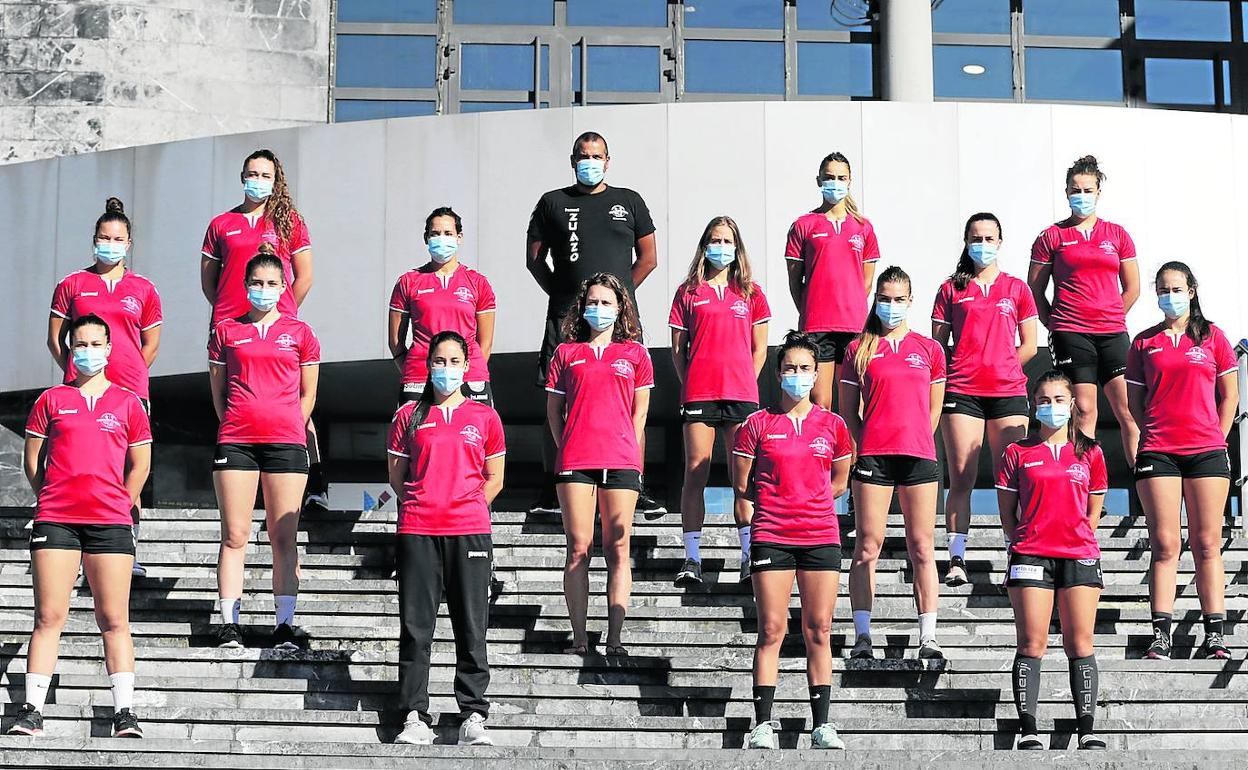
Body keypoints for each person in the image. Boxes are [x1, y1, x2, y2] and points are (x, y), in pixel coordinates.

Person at [10, 314, 151, 738]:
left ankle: (124, 712)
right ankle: (32, 710)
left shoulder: (128, 403)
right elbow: (32, 460)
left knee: (114, 618)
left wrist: (120, 503)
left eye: (95, 344)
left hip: (110, 522)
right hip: (57, 520)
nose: (87, 351)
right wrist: (50, 496)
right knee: (48, 616)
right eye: (80, 345)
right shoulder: (51, 400)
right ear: (70, 351)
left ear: (109, 349)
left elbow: (141, 464)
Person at [527, 131, 661, 516]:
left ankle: (635, 480)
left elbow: (648, 258)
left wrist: (617, 297)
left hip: (621, 322)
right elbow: (534, 260)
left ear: (608, 160)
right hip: (565, 319)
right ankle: (553, 486)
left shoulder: (629, 201)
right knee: (557, 396)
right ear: (573, 161)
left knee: (630, 397)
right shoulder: (552, 202)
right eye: (583, 156)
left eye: (597, 156)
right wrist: (567, 299)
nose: (590, 162)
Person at [733, 331, 853, 750]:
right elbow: (743, 483)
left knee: (819, 629)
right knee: (771, 628)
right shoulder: (756, 424)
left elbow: (839, 482)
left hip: (820, 535)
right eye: (790, 368)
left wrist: (808, 500)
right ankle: (762, 724)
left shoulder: (834, 425)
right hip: (772, 535)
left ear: (816, 374)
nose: (797, 375)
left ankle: (822, 726)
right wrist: (781, 501)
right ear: (778, 373)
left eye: (805, 368)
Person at [387, 331, 506, 747]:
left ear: (467, 367)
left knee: (471, 627)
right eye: (439, 361)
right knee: (415, 628)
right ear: (428, 366)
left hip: (469, 532)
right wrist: (428, 504)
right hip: (418, 531)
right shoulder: (408, 416)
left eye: (455, 361)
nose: (447, 369)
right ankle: (414, 715)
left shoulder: (485, 417)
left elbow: (495, 478)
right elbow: (397, 478)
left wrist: (464, 506)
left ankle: (472, 714)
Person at [200, 149, 327, 511]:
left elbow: (304, 276)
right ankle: (240, 480)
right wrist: (231, 314)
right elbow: (209, 282)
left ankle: (315, 482)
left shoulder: (290, 222)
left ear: (276, 180)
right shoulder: (221, 224)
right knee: (235, 399)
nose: (258, 181)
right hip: (231, 328)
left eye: (265, 175)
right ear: (242, 177)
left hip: (278, 330)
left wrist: (281, 311)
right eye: (252, 174)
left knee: (291, 404)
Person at [208, 244, 320, 650]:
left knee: (283, 535)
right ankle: (229, 625)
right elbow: (218, 393)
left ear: (284, 286)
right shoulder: (226, 332)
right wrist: (237, 422)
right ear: (244, 285)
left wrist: (289, 424)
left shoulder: (301, 334)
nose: (264, 289)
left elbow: (308, 395)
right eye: (256, 282)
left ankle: (284, 625)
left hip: (286, 443)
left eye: (272, 282)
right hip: (236, 441)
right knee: (235, 534)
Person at [1127, 262, 1239, 661]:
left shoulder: (1213, 337)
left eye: (1176, 288)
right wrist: (1157, 432)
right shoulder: (1144, 342)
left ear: (1191, 291)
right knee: (1165, 544)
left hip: (1206, 450)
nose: (1169, 296)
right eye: (1162, 289)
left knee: (1207, 543)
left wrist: (1216, 437)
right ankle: (1161, 636)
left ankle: (1215, 636)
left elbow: (1230, 395)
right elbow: (1135, 404)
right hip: (1159, 450)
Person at [48, 197, 161, 578]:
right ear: (94, 239)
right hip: (79, 393)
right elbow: (55, 339)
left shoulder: (144, 289)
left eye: (117, 239)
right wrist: (79, 376)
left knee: (130, 471)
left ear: (129, 244)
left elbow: (151, 344)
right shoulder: (72, 284)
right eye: (104, 238)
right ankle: (74, 549)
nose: (110, 244)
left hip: (130, 393)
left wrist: (128, 378)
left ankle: (127, 546)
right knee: (78, 465)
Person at [996, 370, 1109, 751]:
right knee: (1032, 642)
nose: (1051, 406)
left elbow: (1093, 511)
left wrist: (1076, 536)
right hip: (1031, 553)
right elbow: (1007, 513)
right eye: (1044, 400)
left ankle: (1087, 728)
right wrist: (1023, 542)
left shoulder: (1091, 452)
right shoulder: (1017, 452)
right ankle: (1028, 729)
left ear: (1072, 404)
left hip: (1079, 555)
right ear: (1033, 404)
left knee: (1081, 643)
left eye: (1059, 400)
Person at [841, 266, 946, 660]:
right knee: (867, 546)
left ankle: (928, 638)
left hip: (918, 457)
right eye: (884, 298)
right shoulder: (858, 349)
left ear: (910, 301)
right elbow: (848, 413)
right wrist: (867, 445)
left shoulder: (930, 350)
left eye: (899, 299)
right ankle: (863, 636)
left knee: (922, 547)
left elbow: (933, 411)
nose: (891, 305)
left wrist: (913, 438)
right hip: (874, 457)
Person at [545, 273, 652, 656]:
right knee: (578, 548)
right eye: (592, 302)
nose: (599, 308)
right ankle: (579, 638)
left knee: (618, 548)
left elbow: (640, 414)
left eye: (606, 302)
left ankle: (615, 638)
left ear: (620, 308)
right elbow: (554, 411)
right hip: (575, 460)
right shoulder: (565, 353)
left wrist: (632, 456)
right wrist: (568, 445)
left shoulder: (636, 354)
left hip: (621, 461)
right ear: (582, 307)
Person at [932, 213, 1037, 587]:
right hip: (963, 392)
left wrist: (1003, 366)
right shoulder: (950, 289)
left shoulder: (1016, 288)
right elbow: (937, 347)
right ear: (966, 242)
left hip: (1008, 393)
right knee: (962, 476)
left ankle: (1015, 554)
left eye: (990, 238)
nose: (983, 245)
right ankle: (956, 558)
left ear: (1000, 242)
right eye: (976, 238)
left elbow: (1029, 344)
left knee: (1013, 479)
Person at [670, 216, 770, 586]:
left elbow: (760, 349)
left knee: (742, 477)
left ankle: (748, 555)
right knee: (695, 470)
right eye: (715, 240)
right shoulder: (688, 292)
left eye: (727, 241)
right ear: (704, 245)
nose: (721, 247)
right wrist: (693, 382)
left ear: (737, 247)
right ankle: (692, 558)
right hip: (700, 394)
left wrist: (743, 379)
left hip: (741, 395)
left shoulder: (751, 293)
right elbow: (678, 351)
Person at [1029, 155, 1140, 471]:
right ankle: (1083, 480)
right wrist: (1055, 324)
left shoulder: (1117, 234)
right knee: (1085, 411)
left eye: (1087, 190)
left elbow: (1133, 287)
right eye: (1075, 190)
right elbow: (1035, 289)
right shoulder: (1052, 236)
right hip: (1071, 333)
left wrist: (1111, 315)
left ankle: (1145, 479)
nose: (1081, 196)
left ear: (1098, 193)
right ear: (1066, 192)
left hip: (1112, 333)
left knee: (1129, 410)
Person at [785, 151, 880, 410]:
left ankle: (850, 442)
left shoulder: (863, 227)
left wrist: (849, 305)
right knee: (820, 401)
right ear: (818, 180)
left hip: (854, 324)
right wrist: (811, 308)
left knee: (853, 402)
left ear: (849, 181)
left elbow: (866, 282)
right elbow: (795, 281)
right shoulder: (803, 225)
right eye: (829, 177)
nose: (834, 183)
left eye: (840, 178)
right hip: (817, 325)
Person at [389, 206, 497, 407]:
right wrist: (413, 369)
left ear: (459, 237)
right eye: (435, 234)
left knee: (476, 428)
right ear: (426, 238)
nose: (442, 238)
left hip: (470, 377)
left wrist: (465, 369)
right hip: (419, 375)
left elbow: (486, 342)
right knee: (413, 428)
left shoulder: (478, 282)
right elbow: (395, 341)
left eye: (448, 233)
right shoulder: (408, 281)